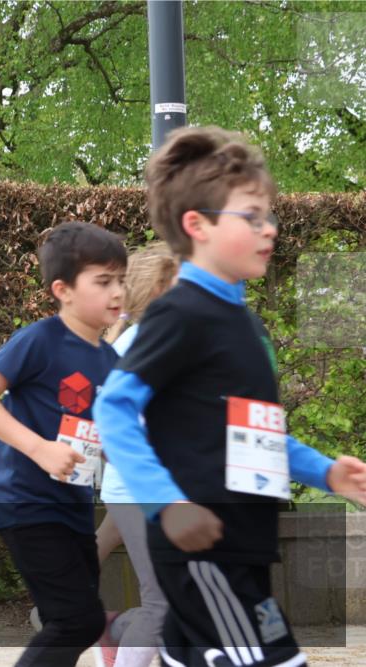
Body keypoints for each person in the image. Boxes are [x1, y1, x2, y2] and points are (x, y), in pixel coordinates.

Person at [96, 126, 366, 667]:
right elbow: (113, 408)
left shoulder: (239, 323)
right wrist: (166, 504)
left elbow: (254, 436)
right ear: (197, 226)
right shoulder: (183, 312)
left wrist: (325, 473)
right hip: (204, 554)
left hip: (240, 549)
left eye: (269, 215)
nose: (269, 229)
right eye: (251, 216)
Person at [0, 221, 127, 667]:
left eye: (121, 280)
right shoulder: (39, 339)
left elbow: (108, 435)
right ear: (63, 290)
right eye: (103, 281)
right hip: (26, 501)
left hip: (73, 507)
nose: (117, 292)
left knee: (66, 622)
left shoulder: (111, 360)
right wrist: (40, 449)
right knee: (79, 621)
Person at [95, 242, 178, 667]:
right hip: (139, 491)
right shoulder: (137, 347)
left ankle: (114, 630)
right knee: (163, 603)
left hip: (157, 490)